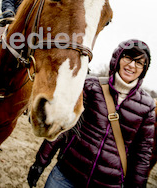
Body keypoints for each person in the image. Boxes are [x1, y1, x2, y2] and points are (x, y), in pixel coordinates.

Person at [27, 39, 155, 188]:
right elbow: (64, 128)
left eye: (139, 63)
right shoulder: (91, 86)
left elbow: (141, 156)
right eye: (128, 57)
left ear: (144, 69)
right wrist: (40, 162)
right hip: (65, 176)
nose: (132, 65)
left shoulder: (147, 106)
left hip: (107, 184)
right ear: (118, 58)